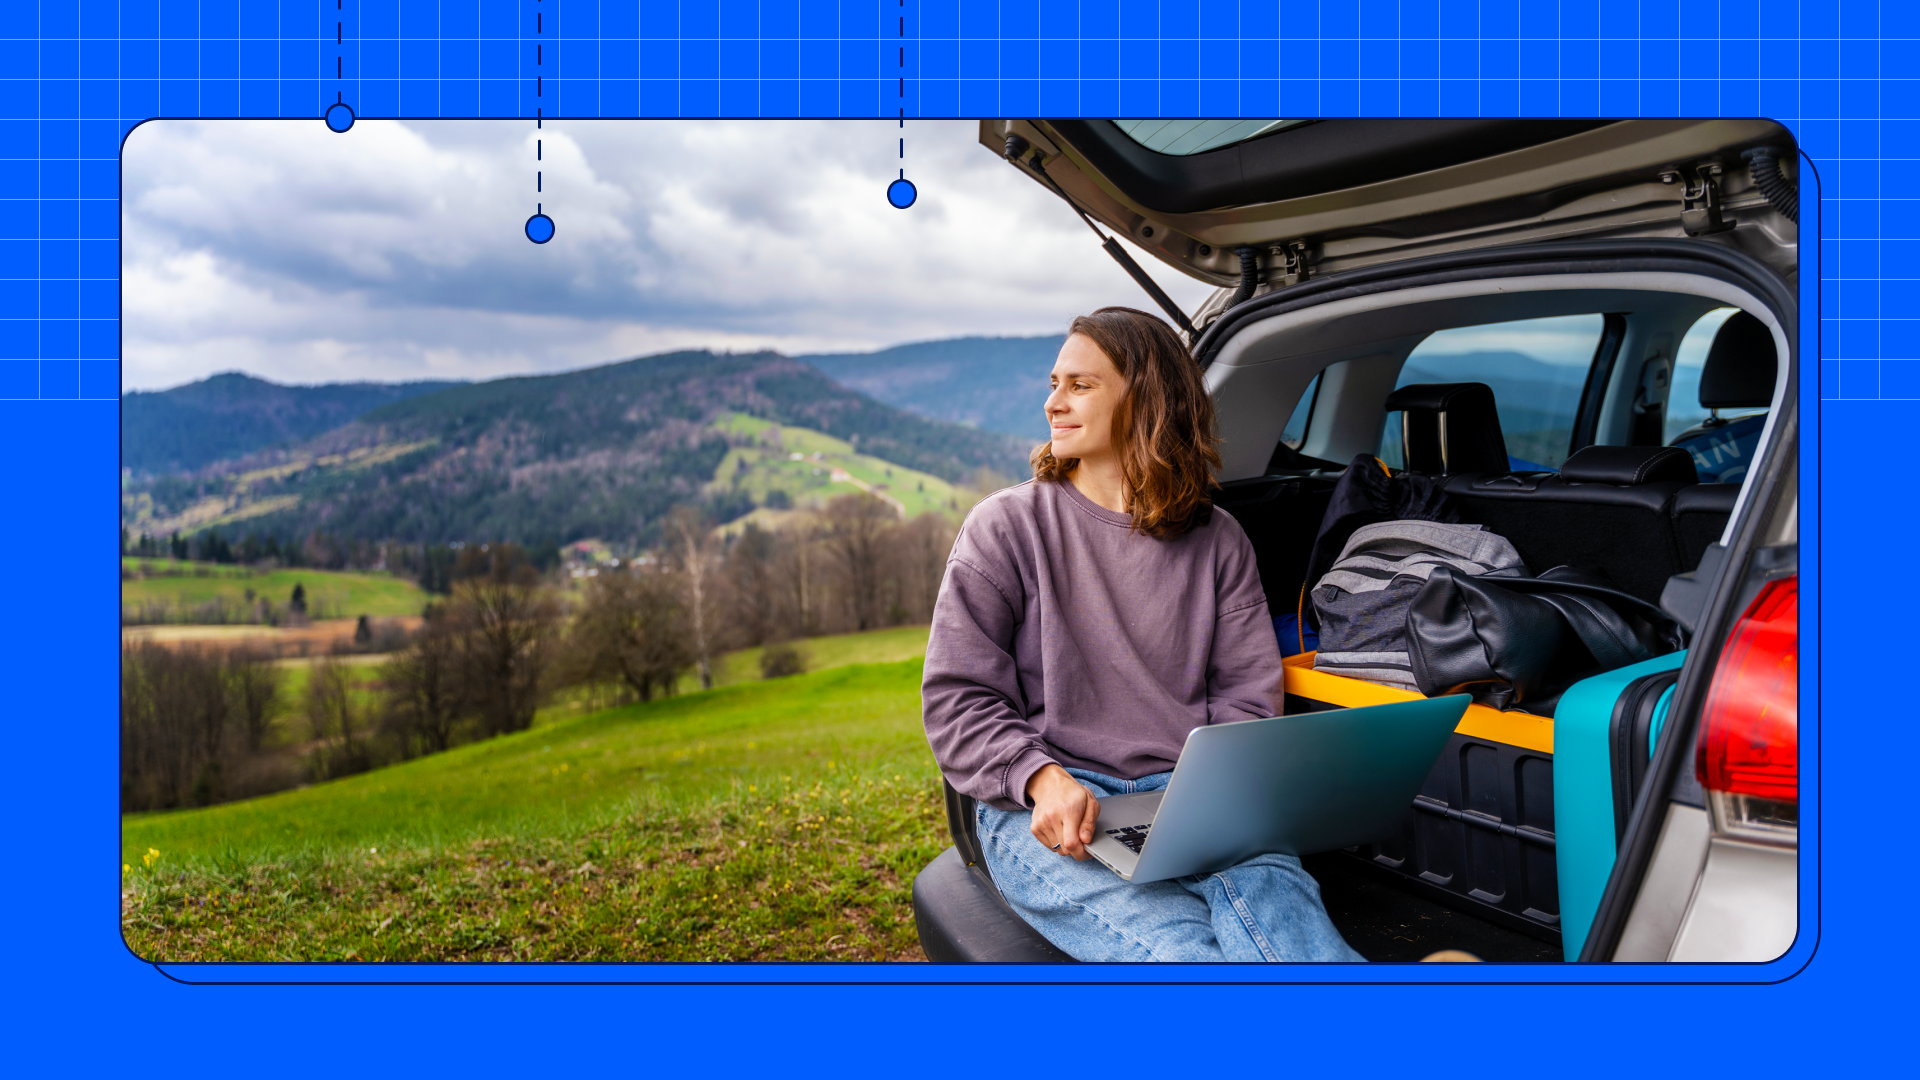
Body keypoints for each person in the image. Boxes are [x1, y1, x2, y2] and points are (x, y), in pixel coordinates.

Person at [921, 306, 1364, 963]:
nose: (1054, 403)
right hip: (1052, 805)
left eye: (1081, 385)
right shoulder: (1005, 528)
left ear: (1147, 400)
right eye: (1054, 383)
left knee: (1292, 937)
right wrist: (1040, 777)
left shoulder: (1218, 539)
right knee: (1183, 959)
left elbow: (1245, 696)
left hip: (1191, 800)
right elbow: (958, 700)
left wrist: (1206, 797)